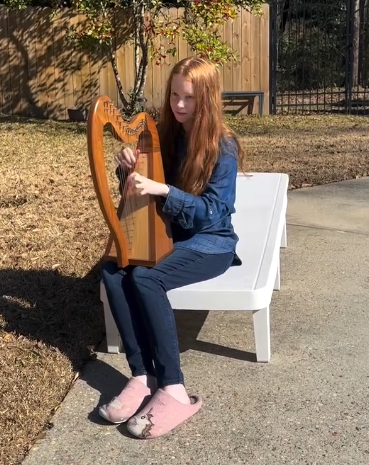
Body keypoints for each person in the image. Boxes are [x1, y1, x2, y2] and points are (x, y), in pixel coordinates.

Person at [98, 56, 246, 439]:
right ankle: (141, 375)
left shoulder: (223, 146)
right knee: (113, 271)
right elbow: (141, 186)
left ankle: (174, 388)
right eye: (174, 95)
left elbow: (212, 212)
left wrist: (164, 190)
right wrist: (127, 168)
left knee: (145, 277)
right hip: (172, 236)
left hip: (211, 243)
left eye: (189, 98)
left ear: (207, 99)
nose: (179, 104)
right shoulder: (165, 135)